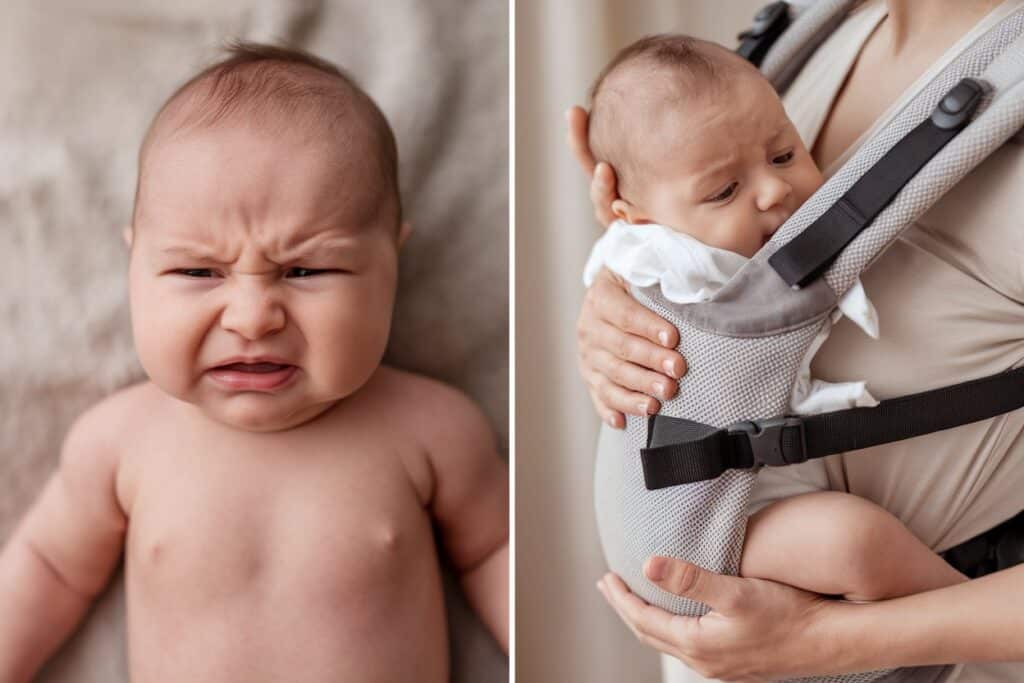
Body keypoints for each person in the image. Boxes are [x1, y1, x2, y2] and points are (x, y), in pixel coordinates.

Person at [0, 43, 508, 683]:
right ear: (134, 264)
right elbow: (48, 568)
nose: (251, 316)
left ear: (391, 263)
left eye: (305, 269)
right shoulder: (118, 443)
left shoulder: (433, 430)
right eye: (196, 271)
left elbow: (501, 555)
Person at [570, 0, 1024, 679]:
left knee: (854, 542)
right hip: (708, 600)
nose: (775, 190)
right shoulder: (809, 27)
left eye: (786, 155)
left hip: (919, 650)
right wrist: (619, 305)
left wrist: (835, 639)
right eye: (725, 188)